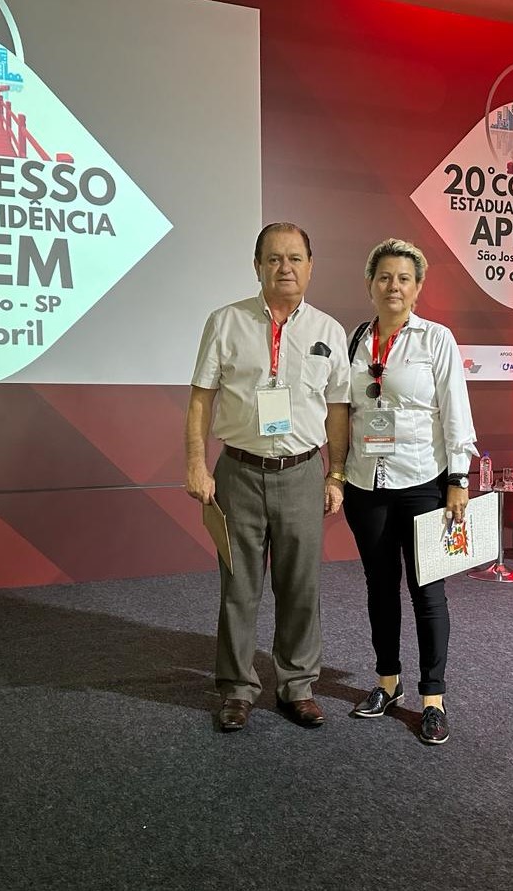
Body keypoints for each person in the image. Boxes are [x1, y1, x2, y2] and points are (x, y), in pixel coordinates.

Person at [185, 222, 351, 733]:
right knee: (238, 587)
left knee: (301, 587)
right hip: (238, 472)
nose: (285, 268)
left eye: (295, 258)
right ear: (257, 266)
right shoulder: (225, 321)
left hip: (302, 474)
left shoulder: (329, 330)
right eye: (274, 259)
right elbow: (201, 397)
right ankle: (237, 689)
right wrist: (195, 463)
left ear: (310, 266)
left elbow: (338, 408)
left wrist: (336, 473)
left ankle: (297, 686)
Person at [339, 238, 477, 745]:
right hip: (366, 483)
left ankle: (433, 698)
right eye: (384, 277)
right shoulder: (357, 339)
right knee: (380, 587)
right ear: (370, 284)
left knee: (428, 592)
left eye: (403, 279)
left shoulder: (436, 339)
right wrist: (337, 472)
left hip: (423, 482)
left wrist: (458, 479)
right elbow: (347, 409)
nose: (392, 286)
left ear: (418, 288)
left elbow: (455, 411)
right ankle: (387, 683)